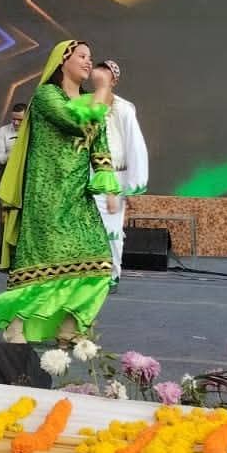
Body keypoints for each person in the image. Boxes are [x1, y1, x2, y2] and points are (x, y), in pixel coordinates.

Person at [0, 40, 119, 346]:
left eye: (90, 57)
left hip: (78, 195)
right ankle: (15, 325)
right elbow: (76, 122)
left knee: (99, 262)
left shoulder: (90, 101)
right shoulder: (46, 96)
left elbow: (100, 144)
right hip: (46, 195)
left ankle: (69, 327)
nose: (88, 61)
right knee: (40, 265)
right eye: (82, 56)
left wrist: (109, 187)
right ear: (62, 60)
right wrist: (103, 90)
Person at [90, 61, 150, 286]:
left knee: (111, 228)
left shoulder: (124, 108)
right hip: (89, 174)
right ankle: (90, 273)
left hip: (115, 176)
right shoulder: (87, 104)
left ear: (113, 81)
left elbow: (136, 146)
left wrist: (134, 185)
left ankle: (111, 274)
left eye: (105, 76)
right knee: (88, 227)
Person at [0, 102, 26, 221]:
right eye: (14, 119)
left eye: (20, 120)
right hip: (6, 166)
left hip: (25, 166)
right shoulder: (3, 131)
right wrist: (9, 157)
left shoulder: (33, 131)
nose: (16, 123)